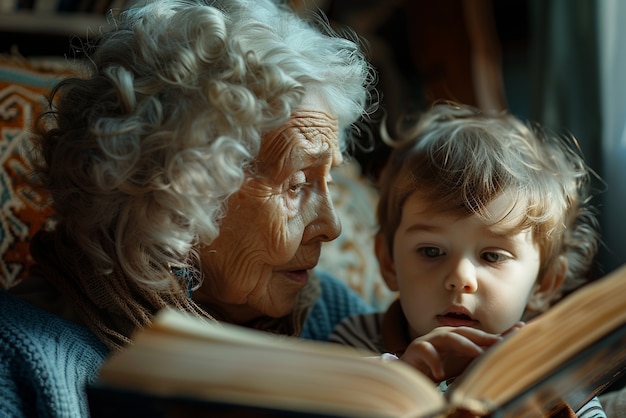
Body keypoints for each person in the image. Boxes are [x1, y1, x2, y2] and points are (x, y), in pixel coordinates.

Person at [0, 0, 378, 416]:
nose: (331, 226)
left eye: (330, 180)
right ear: (176, 198)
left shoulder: (332, 316)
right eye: (297, 185)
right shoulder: (24, 359)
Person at [329, 102, 605, 417]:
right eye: (431, 251)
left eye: (492, 256)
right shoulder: (356, 340)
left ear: (545, 281)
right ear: (389, 263)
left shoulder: (554, 368)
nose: (460, 277)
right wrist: (399, 378)